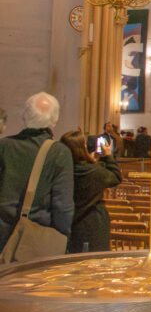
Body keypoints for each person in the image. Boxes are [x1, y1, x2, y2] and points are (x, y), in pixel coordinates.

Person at [0, 93, 74, 253]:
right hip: (33, 243)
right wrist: (61, 240)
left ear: (24, 116)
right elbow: (63, 207)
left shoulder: (3, 146)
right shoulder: (59, 152)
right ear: (54, 120)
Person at [61, 129, 121, 253]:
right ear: (84, 147)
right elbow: (116, 177)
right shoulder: (93, 172)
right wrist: (108, 156)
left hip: (69, 224)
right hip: (93, 224)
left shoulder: (62, 171)